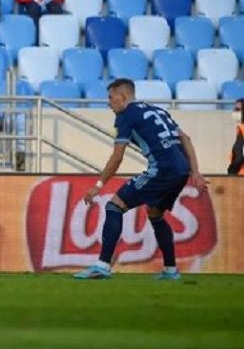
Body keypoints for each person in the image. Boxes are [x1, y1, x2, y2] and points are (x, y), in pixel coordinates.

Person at [74, 78, 207, 280]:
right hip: (181, 170)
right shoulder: (158, 111)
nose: (109, 102)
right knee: (155, 214)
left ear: (123, 96)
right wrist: (195, 172)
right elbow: (185, 139)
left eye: (111, 97)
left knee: (114, 206)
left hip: (162, 170)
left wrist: (98, 185)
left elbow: (117, 156)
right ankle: (170, 270)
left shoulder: (126, 115)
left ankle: (102, 266)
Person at [227, 98, 244, 175]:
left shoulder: (242, 129)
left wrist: (231, 172)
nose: (234, 112)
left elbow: (239, 156)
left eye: (237, 109)